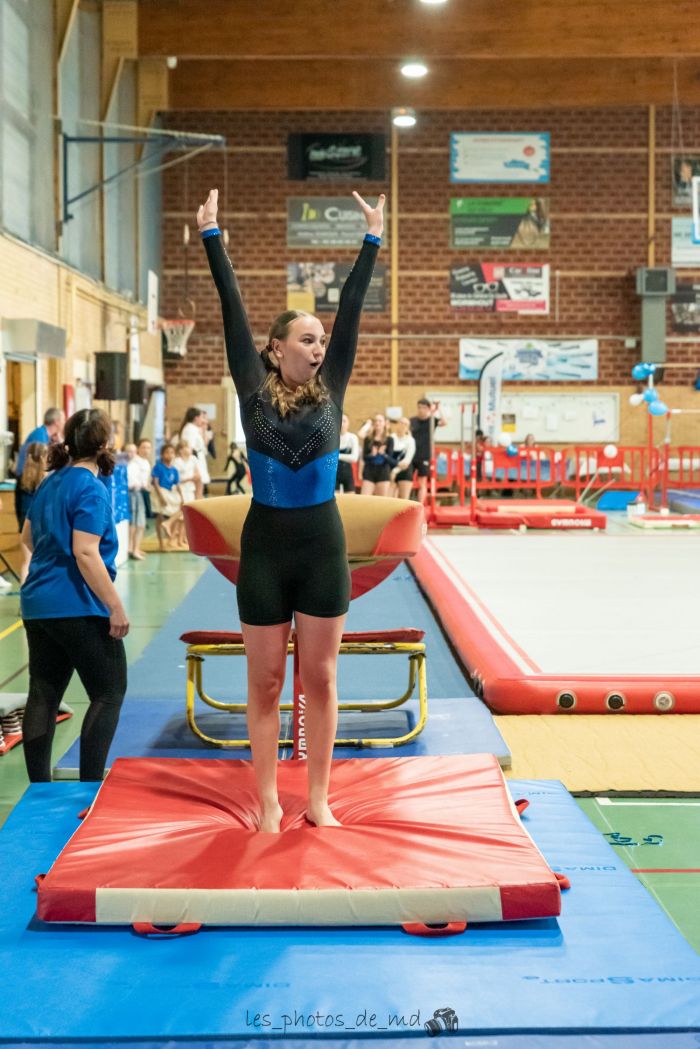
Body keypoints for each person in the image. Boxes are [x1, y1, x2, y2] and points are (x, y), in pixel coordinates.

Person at [199, 184, 383, 831]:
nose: (318, 346)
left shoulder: (333, 388)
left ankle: (320, 798)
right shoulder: (251, 389)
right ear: (277, 347)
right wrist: (211, 236)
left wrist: (372, 239)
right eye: (307, 338)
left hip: (321, 545)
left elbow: (355, 305)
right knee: (266, 682)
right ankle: (270, 799)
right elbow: (230, 307)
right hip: (267, 547)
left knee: (323, 678)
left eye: (321, 339)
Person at [19, 408, 128, 782]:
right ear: (103, 444)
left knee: (43, 693)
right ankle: (89, 784)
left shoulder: (52, 482)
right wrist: (114, 605)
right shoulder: (89, 487)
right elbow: (85, 551)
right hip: (77, 604)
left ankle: (39, 786)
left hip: (38, 603)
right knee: (109, 691)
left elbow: (28, 538)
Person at [14, 408, 65, 528]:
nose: (64, 423)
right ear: (57, 422)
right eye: (63, 419)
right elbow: (36, 473)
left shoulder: (44, 436)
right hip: (28, 491)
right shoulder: (39, 439)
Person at [17, 441, 48, 584]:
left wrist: (20, 525)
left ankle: (24, 599)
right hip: (41, 524)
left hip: (25, 522)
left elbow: (17, 504)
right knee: (42, 563)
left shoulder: (21, 478)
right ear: (43, 457)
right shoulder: (45, 480)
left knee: (26, 562)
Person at [410, 398, 446, 504]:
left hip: (424, 455)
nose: (421, 410)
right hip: (411, 455)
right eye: (419, 407)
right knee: (407, 481)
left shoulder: (432, 420)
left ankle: (420, 504)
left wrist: (438, 408)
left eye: (424, 408)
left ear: (428, 409)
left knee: (422, 483)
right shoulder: (412, 421)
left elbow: (444, 422)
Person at [151, 443, 185, 549]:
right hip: (159, 491)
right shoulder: (158, 467)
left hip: (169, 492)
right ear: (162, 455)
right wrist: (161, 497)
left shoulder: (174, 470)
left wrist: (182, 497)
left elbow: (177, 485)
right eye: (167, 453)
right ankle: (161, 543)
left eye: (172, 453)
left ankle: (169, 523)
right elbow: (155, 483)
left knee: (182, 510)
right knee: (160, 517)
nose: (169, 455)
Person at [360, 413, 395, 497]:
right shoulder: (368, 439)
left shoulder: (389, 439)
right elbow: (364, 458)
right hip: (369, 472)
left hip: (383, 472)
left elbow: (391, 460)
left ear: (384, 423)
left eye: (380, 421)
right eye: (376, 421)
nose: (377, 423)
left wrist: (383, 454)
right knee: (364, 499)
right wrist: (372, 455)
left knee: (382, 502)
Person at [126, 441, 150, 560]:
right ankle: (132, 548)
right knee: (134, 523)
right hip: (133, 493)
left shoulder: (143, 463)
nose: (131, 454)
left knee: (140, 523)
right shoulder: (132, 464)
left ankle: (135, 547)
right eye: (129, 451)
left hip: (140, 492)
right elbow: (131, 481)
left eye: (133, 451)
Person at [179, 408, 211, 494]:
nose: (203, 420)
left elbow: (203, 445)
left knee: (200, 487)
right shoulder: (190, 429)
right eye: (202, 417)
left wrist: (204, 430)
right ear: (196, 418)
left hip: (199, 458)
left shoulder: (194, 428)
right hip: (195, 459)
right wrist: (194, 464)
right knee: (197, 487)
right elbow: (189, 447)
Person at [390, 417, 417, 500]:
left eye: (405, 424)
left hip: (404, 470)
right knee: (389, 498)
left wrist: (395, 471)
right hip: (390, 469)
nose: (402, 426)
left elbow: (407, 460)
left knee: (403, 499)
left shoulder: (410, 440)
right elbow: (388, 456)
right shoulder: (391, 438)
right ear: (397, 424)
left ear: (408, 427)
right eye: (401, 423)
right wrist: (392, 470)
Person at [336, 414, 359, 494]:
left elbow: (354, 458)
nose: (342, 423)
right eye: (340, 420)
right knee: (335, 501)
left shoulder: (352, 437)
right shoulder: (334, 438)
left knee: (351, 500)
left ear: (348, 423)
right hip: (335, 472)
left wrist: (337, 456)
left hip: (347, 472)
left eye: (344, 421)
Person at [174, 440, 202, 504]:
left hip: (191, 489)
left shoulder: (193, 459)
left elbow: (197, 474)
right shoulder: (177, 461)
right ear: (180, 450)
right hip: (180, 489)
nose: (190, 449)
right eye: (188, 447)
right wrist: (190, 479)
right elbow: (176, 479)